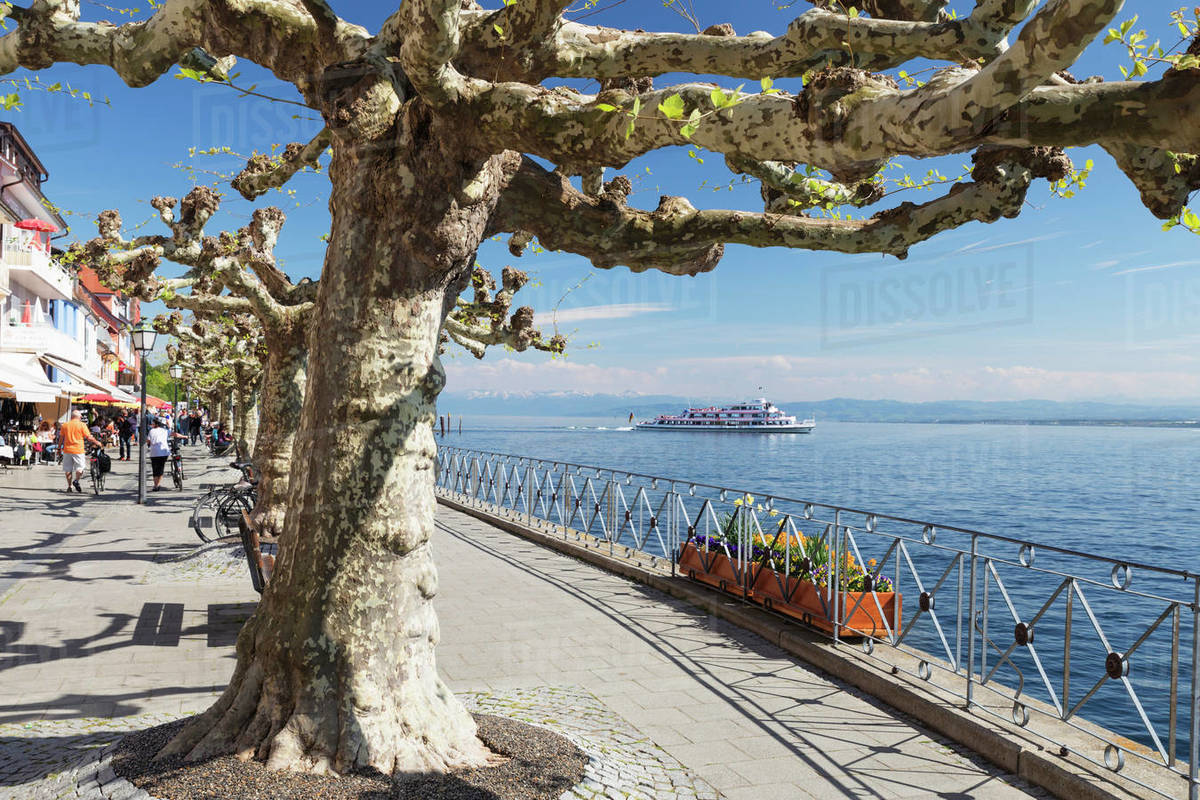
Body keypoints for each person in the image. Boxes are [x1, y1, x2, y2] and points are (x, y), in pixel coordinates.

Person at [60, 409, 100, 493]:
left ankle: (69, 486)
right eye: (81, 416)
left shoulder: (65, 425)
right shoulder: (82, 425)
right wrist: (96, 442)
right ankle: (76, 480)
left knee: (68, 469)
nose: (81, 417)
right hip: (78, 449)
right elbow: (88, 437)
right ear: (78, 417)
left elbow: (61, 438)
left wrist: (59, 448)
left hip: (67, 449)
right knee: (80, 468)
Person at [147, 417, 177, 492]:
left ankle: (155, 485)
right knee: (160, 468)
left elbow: (148, 441)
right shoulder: (165, 430)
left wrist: (149, 444)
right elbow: (175, 434)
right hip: (164, 452)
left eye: (152, 423)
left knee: (155, 469)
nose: (151, 425)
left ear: (155, 424)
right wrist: (184, 436)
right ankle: (157, 484)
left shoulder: (151, 431)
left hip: (154, 452)